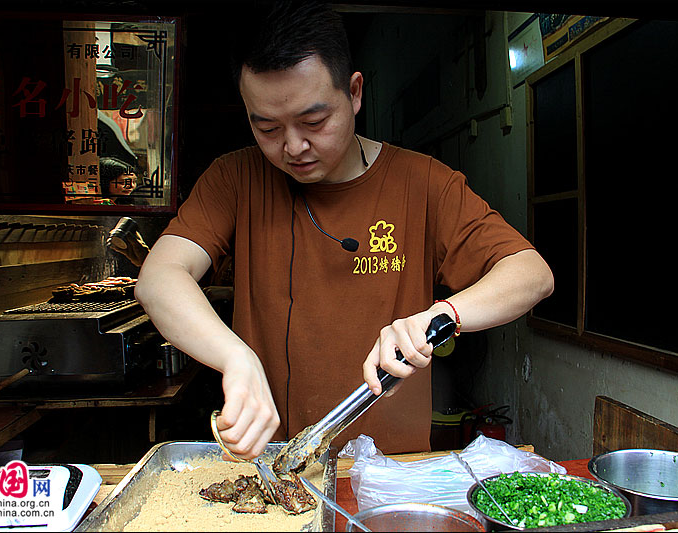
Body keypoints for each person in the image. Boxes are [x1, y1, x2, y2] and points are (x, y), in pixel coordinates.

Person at [134, 0, 553, 461]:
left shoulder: (425, 183)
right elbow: (159, 278)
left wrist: (440, 315)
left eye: (314, 122)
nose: (293, 147)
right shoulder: (234, 179)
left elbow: (531, 272)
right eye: (268, 127)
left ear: (355, 93)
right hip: (272, 471)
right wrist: (235, 358)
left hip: (390, 472)